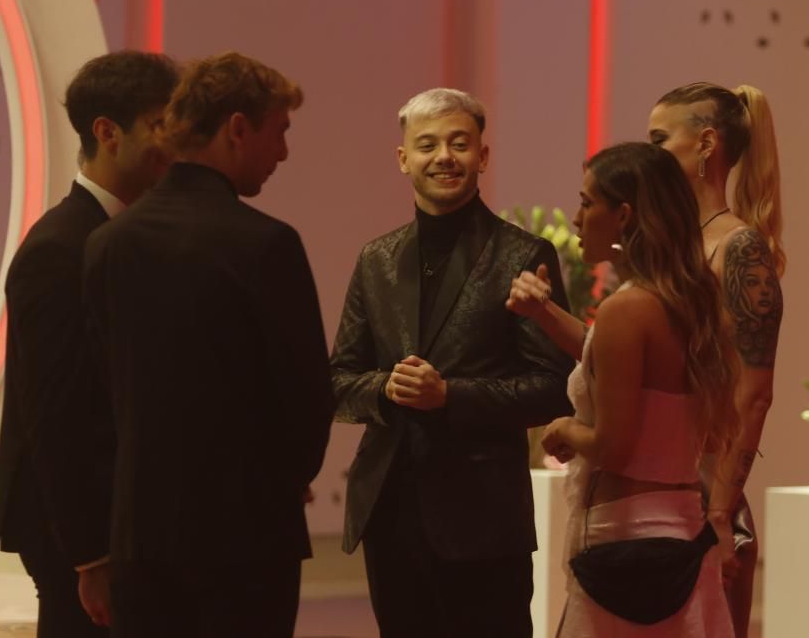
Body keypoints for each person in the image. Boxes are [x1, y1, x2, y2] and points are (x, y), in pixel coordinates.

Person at [82, 52, 334, 638]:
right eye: (280, 132)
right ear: (237, 128)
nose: (283, 153)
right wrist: (285, 478)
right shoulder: (266, 244)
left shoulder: (107, 244)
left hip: (140, 538)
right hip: (248, 539)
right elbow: (307, 397)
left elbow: (99, 397)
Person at [330, 87, 575, 637]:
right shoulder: (376, 258)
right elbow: (339, 381)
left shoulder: (523, 253)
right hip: (390, 508)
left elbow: (552, 386)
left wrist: (449, 395)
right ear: (404, 159)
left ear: (482, 156)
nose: (444, 157)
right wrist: (386, 388)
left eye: (459, 144)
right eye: (427, 145)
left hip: (483, 515)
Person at [507, 141, 739, 636]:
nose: (576, 218)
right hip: (682, 533)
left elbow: (613, 445)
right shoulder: (685, 300)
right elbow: (609, 358)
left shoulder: (626, 309)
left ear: (624, 216)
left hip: (625, 542)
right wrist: (543, 312)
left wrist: (565, 428)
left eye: (587, 203)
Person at [0, 50, 178, 637]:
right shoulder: (59, 248)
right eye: (161, 124)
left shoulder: (127, 235)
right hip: (73, 530)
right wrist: (91, 556)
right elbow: (56, 414)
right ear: (107, 133)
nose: (175, 143)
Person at [648, 82, 784, 636]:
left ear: (705, 144)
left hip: (703, 495)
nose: (651, 153)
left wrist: (721, 514)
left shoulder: (739, 247)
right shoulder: (673, 244)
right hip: (656, 485)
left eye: (660, 139)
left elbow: (754, 395)